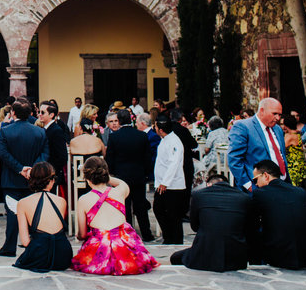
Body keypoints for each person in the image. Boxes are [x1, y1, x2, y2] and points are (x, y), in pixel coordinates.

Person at [72, 156, 158, 275]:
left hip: (99, 249)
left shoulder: (83, 199)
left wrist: (81, 237)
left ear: (86, 176)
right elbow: (120, 183)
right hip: (124, 247)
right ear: (106, 174)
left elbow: (82, 234)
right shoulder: (120, 191)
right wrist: (106, 175)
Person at [0, 99, 49, 257]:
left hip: (12, 178)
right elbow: (44, 154)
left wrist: (20, 169)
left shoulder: (6, 131)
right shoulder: (40, 131)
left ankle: (10, 246)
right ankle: (35, 244)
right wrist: (32, 169)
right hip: (33, 179)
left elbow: (3, 154)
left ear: (13, 113)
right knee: (34, 213)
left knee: (12, 213)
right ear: (31, 114)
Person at [170, 174, 252, 272]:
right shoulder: (244, 197)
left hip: (206, 252)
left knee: (175, 257)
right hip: (235, 256)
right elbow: (249, 227)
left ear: (208, 185)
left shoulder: (199, 195)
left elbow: (195, 226)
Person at [248, 160, 306, 269]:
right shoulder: (300, 192)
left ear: (265, 176)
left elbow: (253, 225)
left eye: (256, 179)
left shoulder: (260, 193)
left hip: (279, 256)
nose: (256, 184)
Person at [104, 108, 154, 241]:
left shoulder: (114, 137)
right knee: (140, 206)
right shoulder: (141, 135)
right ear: (131, 119)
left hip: (121, 176)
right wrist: (146, 172)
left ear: (119, 121)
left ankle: (127, 233)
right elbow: (147, 157)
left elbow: (110, 158)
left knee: (124, 206)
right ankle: (146, 233)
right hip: (138, 175)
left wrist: (113, 173)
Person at [12, 161, 72, 272]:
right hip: (63, 255)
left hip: (39, 255)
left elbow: (25, 242)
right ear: (51, 181)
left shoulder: (23, 203)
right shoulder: (61, 201)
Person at [227, 97, 288, 191]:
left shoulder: (278, 129)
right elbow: (234, 159)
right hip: (258, 187)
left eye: (279, 114)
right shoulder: (243, 127)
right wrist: (248, 185)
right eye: (274, 113)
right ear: (262, 111)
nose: (278, 118)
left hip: (281, 184)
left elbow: (281, 155)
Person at [153, 117, 187, 245]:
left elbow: (174, 163)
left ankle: (175, 240)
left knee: (173, 215)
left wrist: (165, 182)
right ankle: (168, 237)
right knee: (159, 210)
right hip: (163, 183)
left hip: (172, 185)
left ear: (161, 130)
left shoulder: (174, 141)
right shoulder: (165, 140)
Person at [39, 102, 68, 198]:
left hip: (51, 174)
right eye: (39, 112)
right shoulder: (47, 129)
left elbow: (62, 156)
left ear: (51, 115)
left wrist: (51, 171)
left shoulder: (56, 130)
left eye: (42, 112)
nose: (39, 114)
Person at [282, 115, 306, 187]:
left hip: (293, 167)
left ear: (286, 125)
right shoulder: (297, 134)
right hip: (300, 166)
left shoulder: (290, 136)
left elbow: (281, 148)